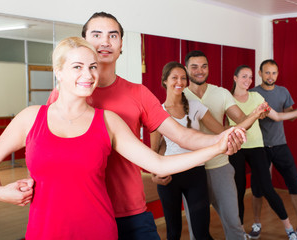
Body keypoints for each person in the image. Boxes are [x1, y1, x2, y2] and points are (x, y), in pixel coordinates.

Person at [0, 37, 244, 240]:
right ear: (58, 71)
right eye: (77, 66)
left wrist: (217, 146)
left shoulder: (108, 121)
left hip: (98, 229)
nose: (88, 74)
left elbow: (159, 164)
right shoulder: (31, 117)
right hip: (44, 231)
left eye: (93, 66)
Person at [46, 12, 245, 240]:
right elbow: (49, 150)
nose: (105, 42)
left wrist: (221, 139)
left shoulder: (138, 93)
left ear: (121, 45)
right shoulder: (62, 96)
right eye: (96, 34)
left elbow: (181, 135)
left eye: (113, 35)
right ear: (84, 42)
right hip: (81, 209)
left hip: (130, 209)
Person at [181, 50, 264, 240]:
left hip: (220, 167)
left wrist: (256, 114)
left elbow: (242, 120)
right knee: (197, 231)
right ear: (186, 69)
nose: (200, 71)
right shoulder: (180, 95)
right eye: (194, 66)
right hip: (192, 170)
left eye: (204, 66)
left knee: (233, 224)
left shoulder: (221, 93)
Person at [228, 65, 297, 240]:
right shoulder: (226, 98)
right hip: (237, 148)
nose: (248, 81)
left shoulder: (257, 96)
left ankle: (289, 229)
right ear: (235, 78)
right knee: (239, 190)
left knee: (267, 188)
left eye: (250, 77)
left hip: (257, 147)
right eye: (244, 76)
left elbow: (278, 117)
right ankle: (240, 232)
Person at [151, 62, 228, 240]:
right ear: (164, 81)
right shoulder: (157, 112)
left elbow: (221, 132)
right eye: (174, 78)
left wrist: (249, 120)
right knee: (173, 233)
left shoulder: (195, 107)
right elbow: (154, 150)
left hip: (196, 173)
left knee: (202, 233)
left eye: (183, 78)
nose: (180, 81)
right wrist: (155, 176)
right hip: (170, 176)